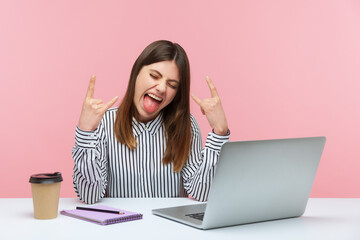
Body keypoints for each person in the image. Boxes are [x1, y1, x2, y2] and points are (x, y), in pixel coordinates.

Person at [72, 40, 229, 204]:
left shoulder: (187, 127)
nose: (161, 88)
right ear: (136, 73)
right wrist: (86, 132)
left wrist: (219, 133)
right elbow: (89, 196)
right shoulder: (104, 124)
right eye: (154, 76)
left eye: (172, 84)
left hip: (170, 228)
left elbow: (202, 193)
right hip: (120, 227)